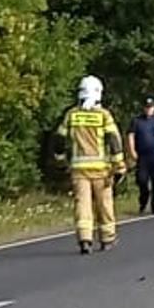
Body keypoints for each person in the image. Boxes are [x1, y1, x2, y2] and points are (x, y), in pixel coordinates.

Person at [57, 76, 125, 255]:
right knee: (104, 204)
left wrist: (61, 159)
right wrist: (119, 166)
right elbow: (114, 141)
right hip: (101, 170)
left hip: (79, 170)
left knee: (82, 205)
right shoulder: (103, 115)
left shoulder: (71, 115)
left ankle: (85, 239)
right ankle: (107, 238)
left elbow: (59, 139)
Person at [127, 98, 154, 215]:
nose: (148, 109)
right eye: (146, 107)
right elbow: (131, 136)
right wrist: (132, 151)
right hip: (142, 155)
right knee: (142, 180)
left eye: (150, 107)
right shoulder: (137, 121)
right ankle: (143, 200)